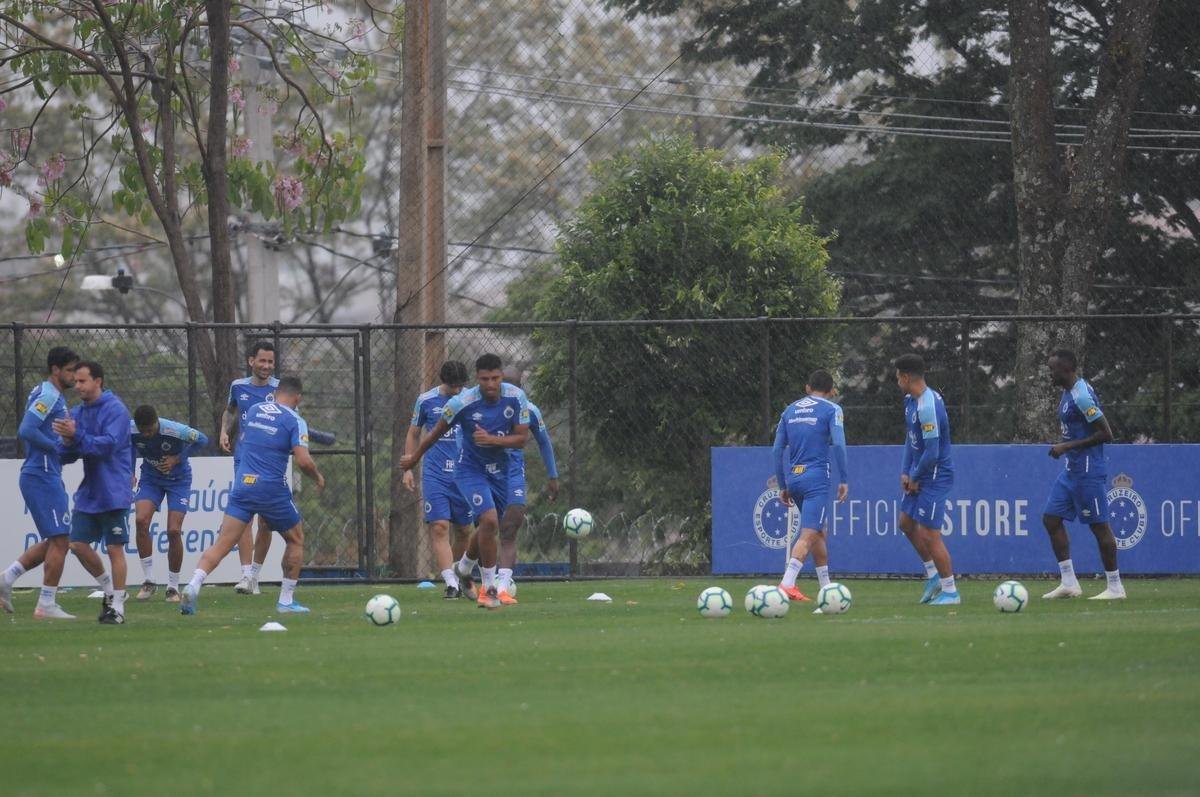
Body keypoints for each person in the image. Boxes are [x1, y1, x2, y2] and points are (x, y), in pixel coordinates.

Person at [180, 376, 325, 615]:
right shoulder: (295, 420)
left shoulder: (256, 409)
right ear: (297, 397)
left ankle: (193, 585)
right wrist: (318, 477)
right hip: (271, 489)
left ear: (276, 393)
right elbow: (303, 460)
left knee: (223, 543)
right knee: (296, 539)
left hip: (243, 484)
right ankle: (286, 601)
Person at [400, 353, 529, 610]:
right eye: (484, 379)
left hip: (499, 473)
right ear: (477, 379)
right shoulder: (463, 402)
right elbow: (435, 432)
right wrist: (413, 460)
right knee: (489, 520)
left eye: (495, 378)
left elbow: (521, 439)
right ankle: (489, 590)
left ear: (501, 376)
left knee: (485, 528)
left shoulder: (516, 398)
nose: (490, 384)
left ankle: (465, 566)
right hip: (469, 471)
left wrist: (493, 440)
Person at [0, 346, 79, 619]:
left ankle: (6, 578)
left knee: (57, 538)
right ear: (55, 370)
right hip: (41, 474)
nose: (73, 376)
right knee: (61, 540)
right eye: (69, 370)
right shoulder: (48, 395)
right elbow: (26, 429)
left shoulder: (49, 393)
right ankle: (46, 604)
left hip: (43, 472)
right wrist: (56, 450)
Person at [1041, 349, 1125, 600]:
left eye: (1052, 369)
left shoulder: (1082, 396)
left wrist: (1066, 447)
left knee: (1100, 527)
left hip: (1088, 471)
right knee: (1051, 519)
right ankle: (1069, 582)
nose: (1049, 373)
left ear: (1066, 369)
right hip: (1071, 471)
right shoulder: (1068, 393)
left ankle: (1115, 586)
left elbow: (1106, 434)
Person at [54, 361, 134, 624]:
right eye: (75, 381)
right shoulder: (76, 412)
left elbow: (107, 447)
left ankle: (119, 608)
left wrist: (76, 436)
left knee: (114, 548)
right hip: (91, 492)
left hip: (114, 490)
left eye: (82, 381)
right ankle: (109, 590)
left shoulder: (116, 410)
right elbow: (66, 455)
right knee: (76, 544)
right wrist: (66, 441)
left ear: (98, 381)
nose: (77, 386)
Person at [773, 369, 848, 612]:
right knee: (808, 534)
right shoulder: (831, 409)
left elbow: (776, 451)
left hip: (794, 479)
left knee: (818, 533)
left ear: (808, 388)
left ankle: (826, 590)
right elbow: (838, 443)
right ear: (832, 391)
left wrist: (783, 485)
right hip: (816, 479)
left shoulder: (789, 410)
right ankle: (786, 584)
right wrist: (844, 478)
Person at [403, 360, 473, 599]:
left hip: (464, 474)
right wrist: (408, 468)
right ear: (444, 382)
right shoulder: (426, 400)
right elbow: (413, 433)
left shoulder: (471, 399)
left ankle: (458, 572)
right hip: (435, 474)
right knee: (439, 526)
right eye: (453, 386)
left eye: (460, 386)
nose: (456, 390)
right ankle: (451, 583)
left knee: (464, 530)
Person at [894, 354, 960, 606]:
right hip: (918, 473)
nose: (896, 380)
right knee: (906, 524)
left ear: (906, 377)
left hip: (934, 475)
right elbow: (911, 440)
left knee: (929, 534)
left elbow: (932, 453)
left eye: (898, 376)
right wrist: (905, 471)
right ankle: (933, 575)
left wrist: (916, 476)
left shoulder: (927, 406)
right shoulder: (910, 401)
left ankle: (951, 591)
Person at [494, 366, 559, 605]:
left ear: (520, 388)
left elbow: (544, 442)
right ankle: (470, 567)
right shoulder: (485, 407)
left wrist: (552, 476)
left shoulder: (529, 410)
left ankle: (502, 587)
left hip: (513, 474)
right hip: (486, 474)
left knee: (511, 526)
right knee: (486, 528)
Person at [130, 405, 209, 602]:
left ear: (157, 422)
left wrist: (177, 458)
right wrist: (130, 471)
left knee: (173, 531)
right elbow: (128, 447)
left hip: (178, 481)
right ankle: (149, 580)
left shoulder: (173, 429)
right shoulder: (130, 429)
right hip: (150, 479)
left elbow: (202, 439)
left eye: (150, 430)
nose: (147, 435)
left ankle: (173, 587)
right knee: (140, 520)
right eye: (143, 431)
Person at [220, 340, 280, 595]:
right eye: (262, 361)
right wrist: (224, 431)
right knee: (244, 516)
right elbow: (230, 411)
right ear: (251, 361)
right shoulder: (238, 386)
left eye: (270, 362)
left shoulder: (280, 389)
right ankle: (245, 576)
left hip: (272, 462)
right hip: (244, 460)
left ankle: (255, 574)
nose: (266, 366)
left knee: (266, 521)